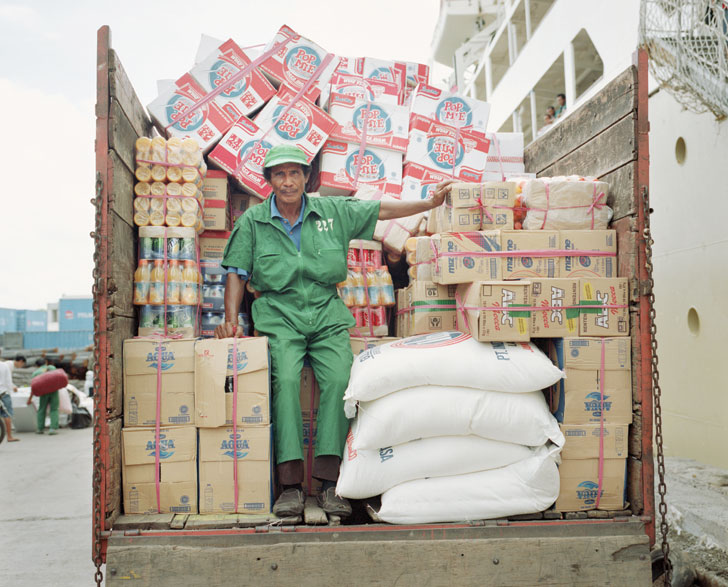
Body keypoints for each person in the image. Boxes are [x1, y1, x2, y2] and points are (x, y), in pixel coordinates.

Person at [216, 144, 453, 518]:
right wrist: (230, 319)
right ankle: (291, 485)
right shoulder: (254, 222)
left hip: (326, 313)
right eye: (280, 174)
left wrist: (428, 204)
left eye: (295, 173)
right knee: (286, 381)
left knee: (342, 380)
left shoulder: (330, 211)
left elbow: (382, 210)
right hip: (279, 314)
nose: (288, 181)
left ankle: (330, 483)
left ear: (307, 178)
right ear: (269, 182)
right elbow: (235, 271)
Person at [28, 358, 59, 435]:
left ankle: (40, 429)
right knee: (54, 409)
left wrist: (30, 398)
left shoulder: (36, 373)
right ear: (46, 362)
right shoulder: (51, 368)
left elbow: (33, 387)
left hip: (43, 393)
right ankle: (52, 429)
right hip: (54, 391)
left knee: (41, 409)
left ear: (37, 365)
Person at [0, 355, 27, 442]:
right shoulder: (5, 366)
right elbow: (8, 381)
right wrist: (10, 391)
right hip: (3, 393)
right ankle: (9, 436)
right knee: (7, 414)